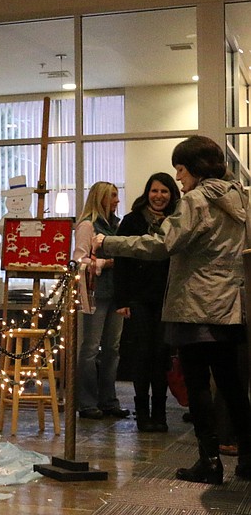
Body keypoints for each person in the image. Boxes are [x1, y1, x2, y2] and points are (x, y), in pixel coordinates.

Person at [96, 135, 251, 484]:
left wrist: (108, 243)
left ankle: (209, 461)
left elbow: (162, 244)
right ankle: (248, 458)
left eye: (180, 170)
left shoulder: (196, 201)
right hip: (231, 304)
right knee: (231, 384)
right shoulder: (239, 196)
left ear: (194, 168)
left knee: (197, 384)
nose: (178, 178)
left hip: (196, 305)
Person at [113, 173, 180, 432]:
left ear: (172, 195)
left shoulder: (177, 222)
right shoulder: (131, 221)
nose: (159, 196)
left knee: (161, 355)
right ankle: (142, 414)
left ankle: (160, 414)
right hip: (138, 298)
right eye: (155, 190)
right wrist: (122, 299)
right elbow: (122, 261)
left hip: (167, 298)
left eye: (165, 191)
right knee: (142, 355)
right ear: (147, 192)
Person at [73, 181, 128, 420]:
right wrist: (107, 263)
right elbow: (79, 261)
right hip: (95, 293)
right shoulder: (87, 226)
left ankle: (108, 399)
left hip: (116, 293)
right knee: (91, 348)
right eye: (113, 196)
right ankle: (86, 402)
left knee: (112, 349)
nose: (117, 200)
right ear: (102, 198)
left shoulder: (118, 225)